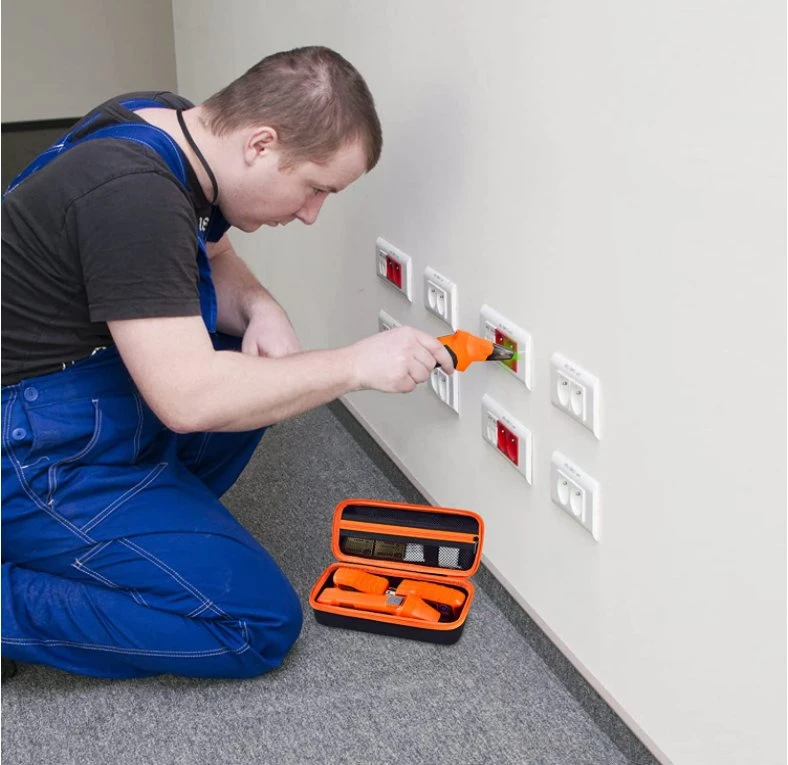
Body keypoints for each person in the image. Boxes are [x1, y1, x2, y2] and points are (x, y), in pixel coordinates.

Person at [1, 46, 454, 680]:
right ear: (261, 144)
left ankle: (121, 532)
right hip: (30, 449)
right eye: (315, 187)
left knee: (252, 366)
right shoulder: (132, 194)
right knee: (254, 624)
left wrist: (260, 307)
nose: (310, 213)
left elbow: (206, 251)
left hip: (72, 393)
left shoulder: (169, 125)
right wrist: (354, 365)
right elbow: (189, 400)